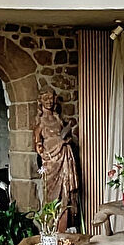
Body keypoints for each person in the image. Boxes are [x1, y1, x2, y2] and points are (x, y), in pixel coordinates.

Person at [33, 89, 80, 231]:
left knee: (65, 192)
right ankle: (50, 229)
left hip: (63, 156)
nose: (49, 101)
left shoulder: (57, 119)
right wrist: (44, 154)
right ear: (40, 101)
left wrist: (67, 140)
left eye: (51, 98)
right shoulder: (40, 123)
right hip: (51, 161)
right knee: (51, 195)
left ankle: (63, 228)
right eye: (46, 98)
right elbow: (38, 144)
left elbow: (64, 134)